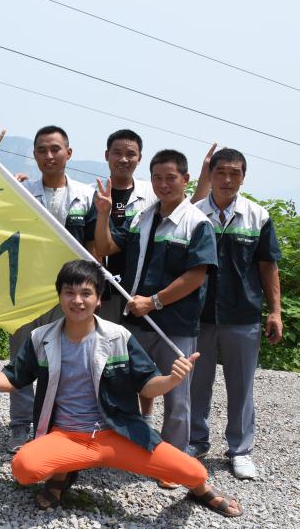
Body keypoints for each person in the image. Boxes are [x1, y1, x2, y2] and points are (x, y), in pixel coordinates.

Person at [0, 260, 242, 518]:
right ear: (59, 296)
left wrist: (171, 381)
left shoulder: (118, 337)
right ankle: (63, 474)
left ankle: (199, 490)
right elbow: (13, 379)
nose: (77, 300)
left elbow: (147, 386)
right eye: (69, 292)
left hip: (117, 434)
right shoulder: (41, 338)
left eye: (86, 293)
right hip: (66, 435)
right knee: (24, 469)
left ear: (99, 299)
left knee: (194, 472)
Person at [93, 150, 217, 488]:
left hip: (175, 323)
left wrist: (155, 302)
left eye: (170, 178)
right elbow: (105, 247)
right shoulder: (141, 217)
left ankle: (173, 464)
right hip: (136, 320)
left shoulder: (197, 223)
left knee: (177, 394)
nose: (163, 184)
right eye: (157, 178)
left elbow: (196, 276)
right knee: (128, 384)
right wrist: (103, 214)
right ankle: (132, 448)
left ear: (185, 180)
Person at [0, 125, 95, 454]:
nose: (49, 156)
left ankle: (55, 424)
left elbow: (95, 246)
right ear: (34, 155)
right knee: (21, 358)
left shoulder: (87, 195)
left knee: (64, 360)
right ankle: (20, 426)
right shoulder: (21, 191)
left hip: (68, 295)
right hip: (23, 291)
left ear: (68, 153)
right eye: (42, 150)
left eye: (55, 149)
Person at [187, 147, 283, 479]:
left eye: (235, 173)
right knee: (196, 383)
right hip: (198, 314)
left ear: (243, 177)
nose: (227, 180)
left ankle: (240, 450)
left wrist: (275, 311)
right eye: (221, 172)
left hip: (243, 314)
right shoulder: (193, 214)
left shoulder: (258, 216)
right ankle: (195, 441)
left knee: (241, 386)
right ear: (210, 175)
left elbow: (268, 265)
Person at [84, 129, 157, 322]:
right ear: (106, 155)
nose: (124, 159)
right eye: (117, 153)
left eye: (131, 154)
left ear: (140, 158)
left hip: (138, 291)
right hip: (101, 290)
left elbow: (187, 210)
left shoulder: (152, 194)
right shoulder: (88, 194)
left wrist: (204, 179)